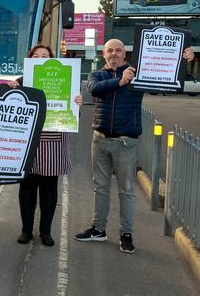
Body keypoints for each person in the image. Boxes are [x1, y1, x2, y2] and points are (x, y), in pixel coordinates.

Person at [74, 39, 195, 253]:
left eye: (118, 50)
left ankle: (126, 233)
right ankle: (99, 229)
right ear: (104, 54)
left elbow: (167, 81)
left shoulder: (139, 73)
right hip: (100, 139)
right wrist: (121, 81)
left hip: (126, 141)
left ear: (124, 54)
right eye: (110, 50)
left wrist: (184, 61)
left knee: (127, 191)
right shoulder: (98, 75)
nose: (113, 54)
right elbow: (95, 90)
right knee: (100, 188)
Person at [9, 45, 82, 246]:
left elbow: (75, 116)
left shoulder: (67, 80)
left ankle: (46, 231)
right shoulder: (21, 83)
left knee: (49, 188)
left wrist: (77, 104)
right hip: (29, 139)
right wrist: (11, 90)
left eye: (45, 56)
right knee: (27, 187)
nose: (41, 59)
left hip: (54, 138)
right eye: (37, 56)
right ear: (30, 59)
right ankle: (26, 230)